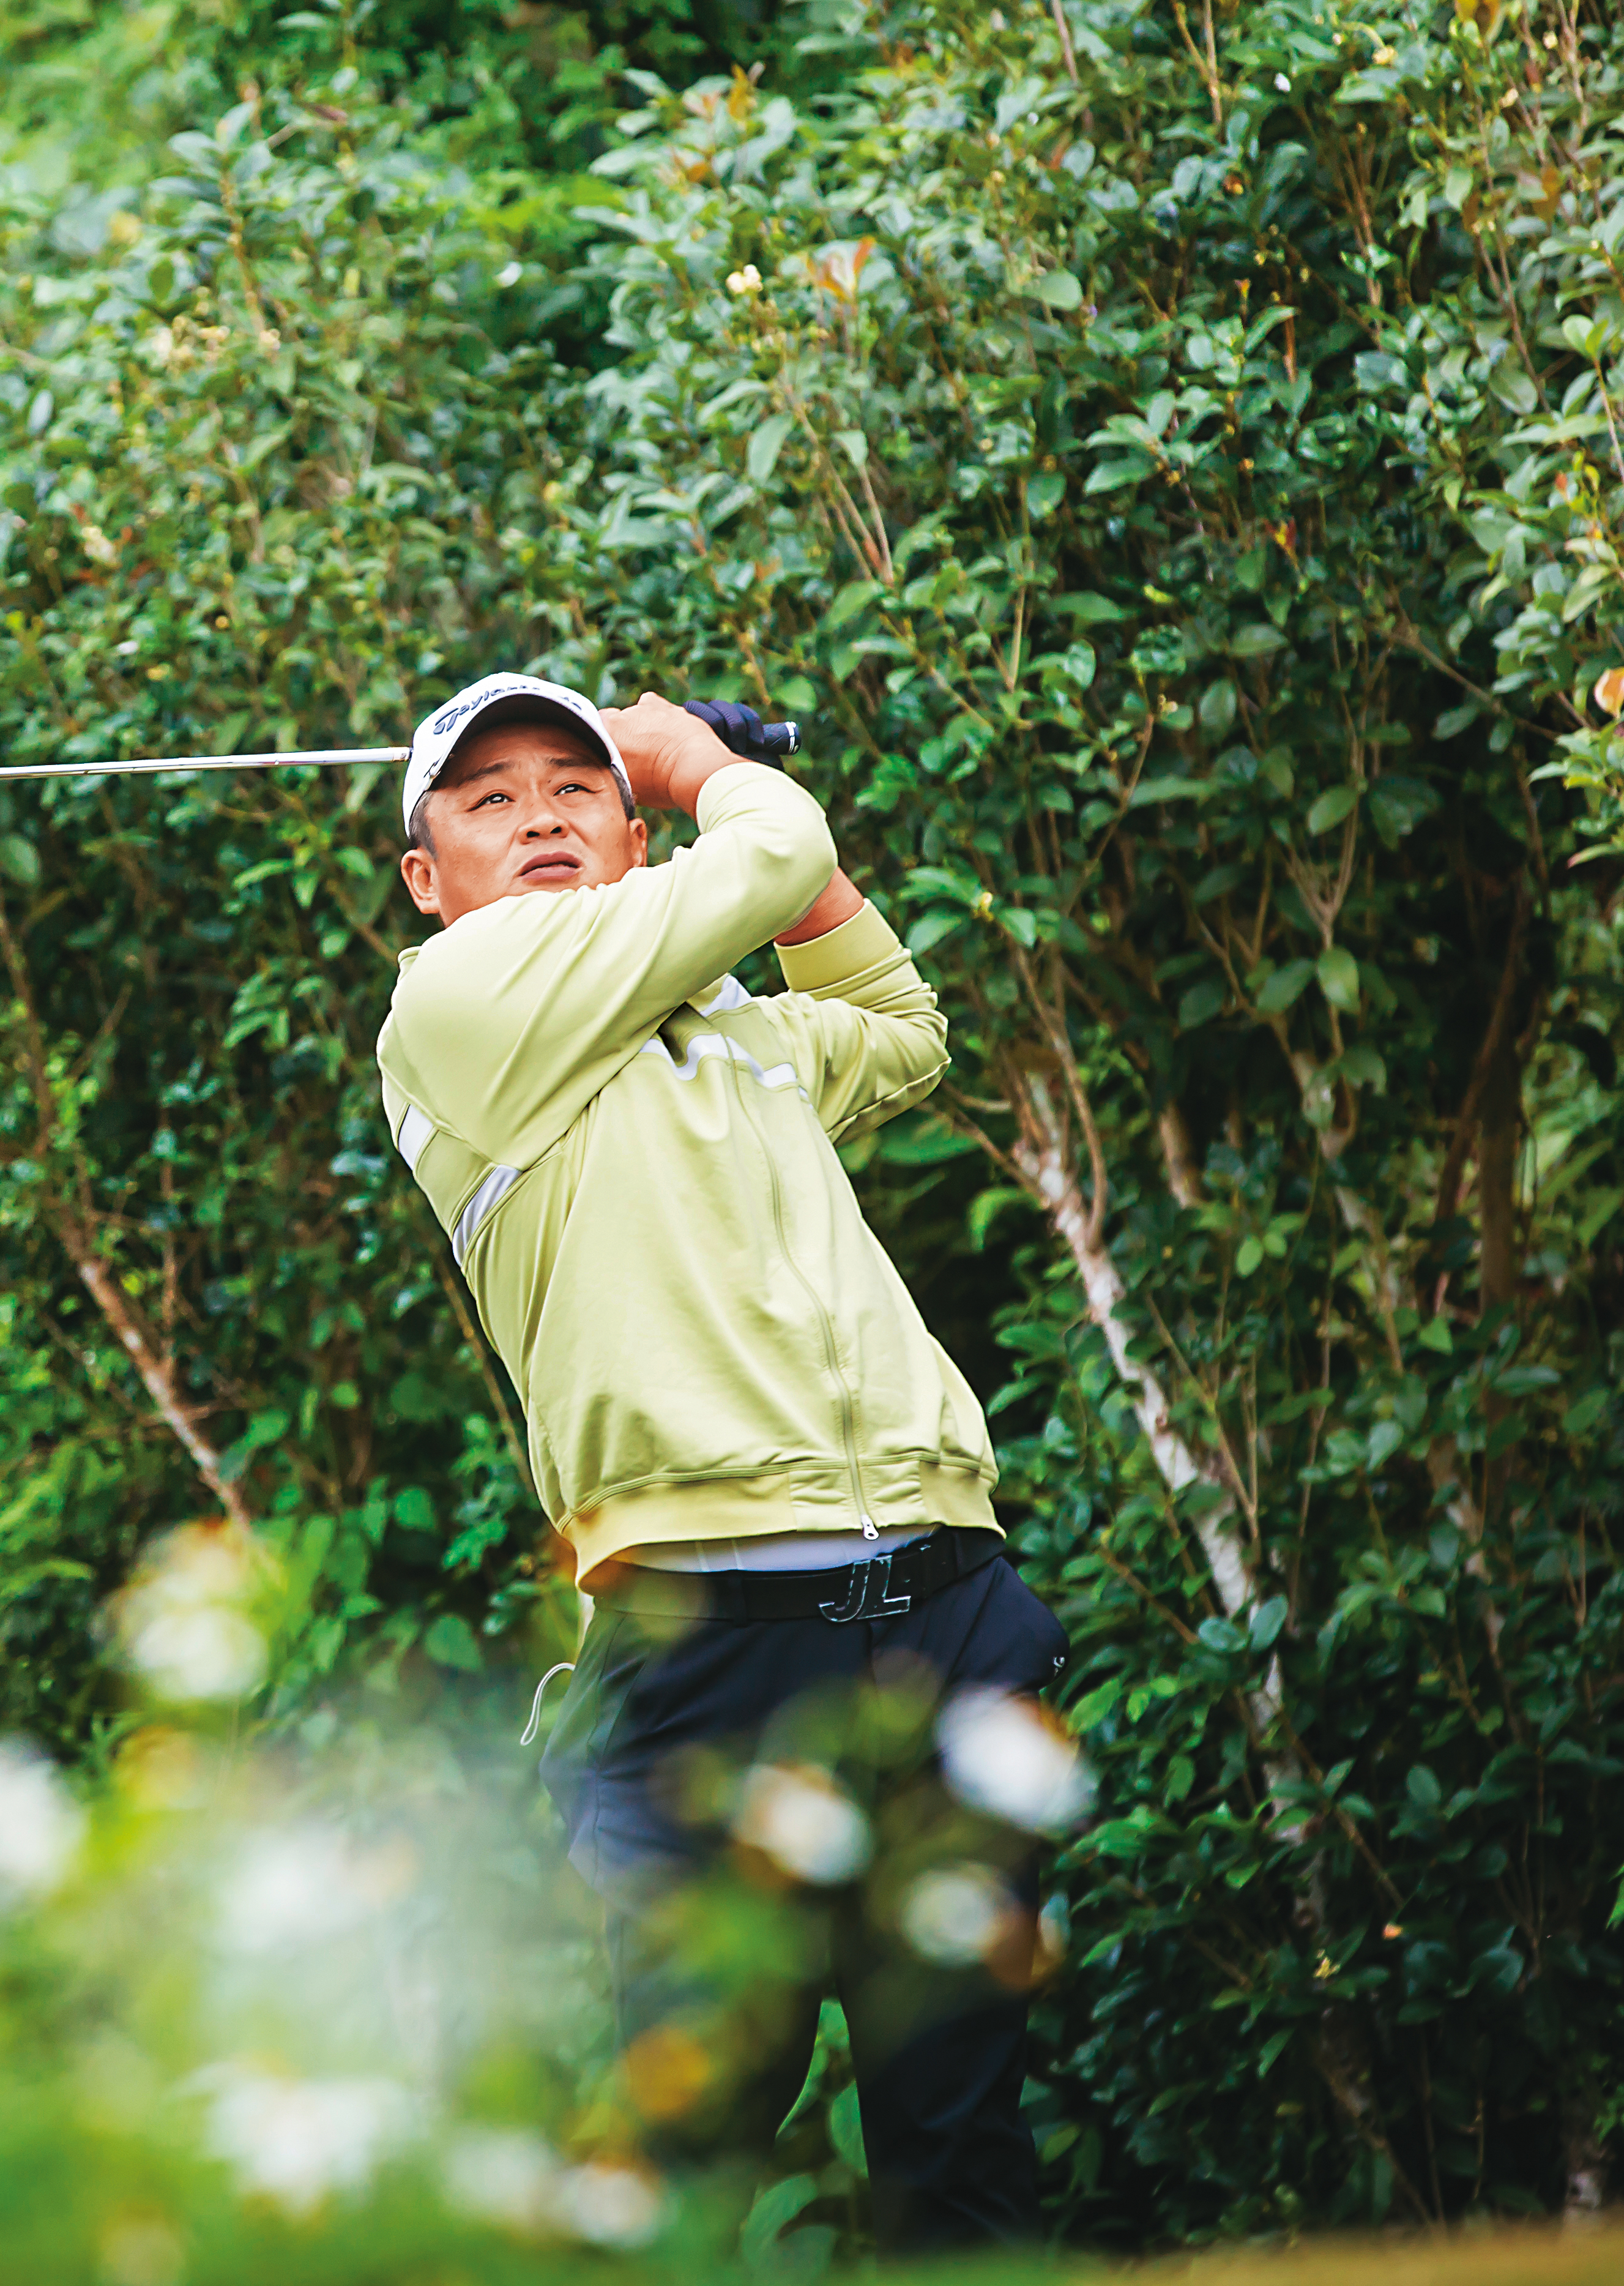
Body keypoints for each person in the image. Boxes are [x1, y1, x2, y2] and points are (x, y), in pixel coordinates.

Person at [374, 671, 1070, 2252]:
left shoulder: (739, 1032)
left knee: (958, 2133)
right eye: (488, 799)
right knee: (692, 2147)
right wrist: (699, 767)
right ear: (429, 883)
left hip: (945, 1602)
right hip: (710, 1647)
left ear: (621, 836)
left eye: (576, 786)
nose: (539, 814)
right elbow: (761, 860)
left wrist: (758, 837)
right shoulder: (460, 1016)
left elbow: (903, 1029)